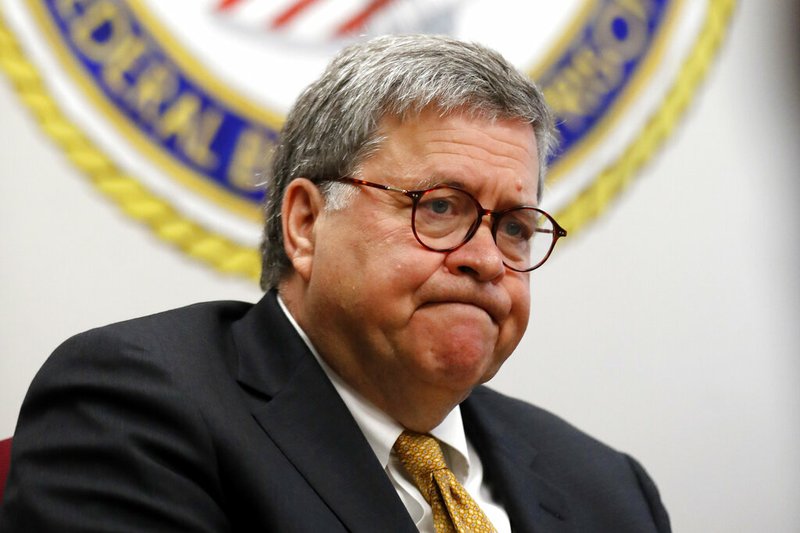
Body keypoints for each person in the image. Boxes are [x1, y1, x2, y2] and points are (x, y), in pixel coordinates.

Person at [0, 34, 670, 532]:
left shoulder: (609, 492)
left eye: (515, 226)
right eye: (439, 207)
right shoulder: (137, 410)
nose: (487, 259)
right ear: (305, 223)